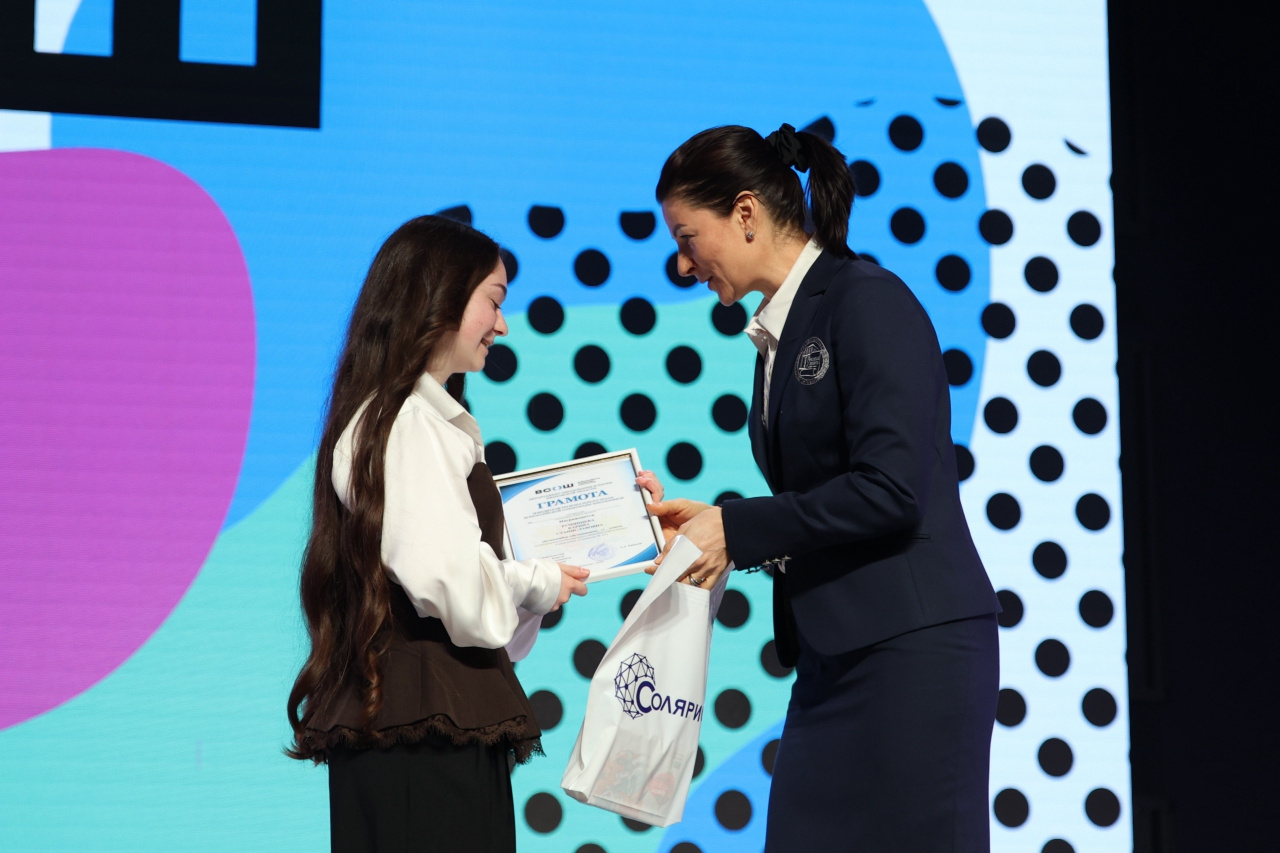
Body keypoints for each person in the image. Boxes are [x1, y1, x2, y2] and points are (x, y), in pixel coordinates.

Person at [642, 124, 1002, 851]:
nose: (681, 264)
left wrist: (739, 529)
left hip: (911, 653)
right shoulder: (778, 332)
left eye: (687, 237)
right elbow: (825, 501)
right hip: (834, 659)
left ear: (746, 213)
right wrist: (719, 528)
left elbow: (891, 489)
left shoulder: (865, 298)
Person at [285, 215, 590, 853]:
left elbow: (475, 603)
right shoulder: (404, 425)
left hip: (428, 728)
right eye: (494, 302)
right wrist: (538, 580)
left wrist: (545, 578)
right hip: (420, 740)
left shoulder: (419, 421)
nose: (502, 325)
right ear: (439, 298)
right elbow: (453, 586)